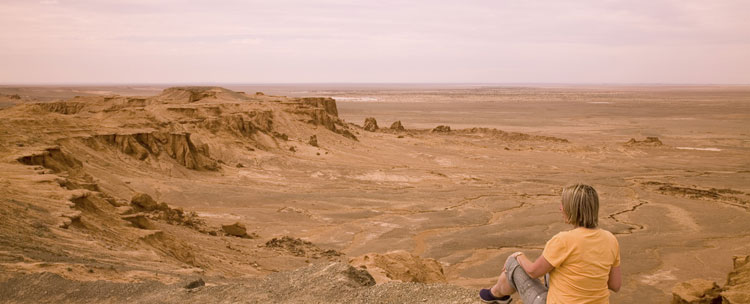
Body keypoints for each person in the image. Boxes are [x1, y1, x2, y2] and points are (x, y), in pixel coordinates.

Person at [479, 184, 621, 304]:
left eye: (563, 204)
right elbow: (615, 285)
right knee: (553, 268)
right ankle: (497, 293)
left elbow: (533, 272)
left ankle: (496, 293)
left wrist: (518, 256)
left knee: (513, 262)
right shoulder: (611, 239)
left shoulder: (564, 240)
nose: (560, 208)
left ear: (572, 209)